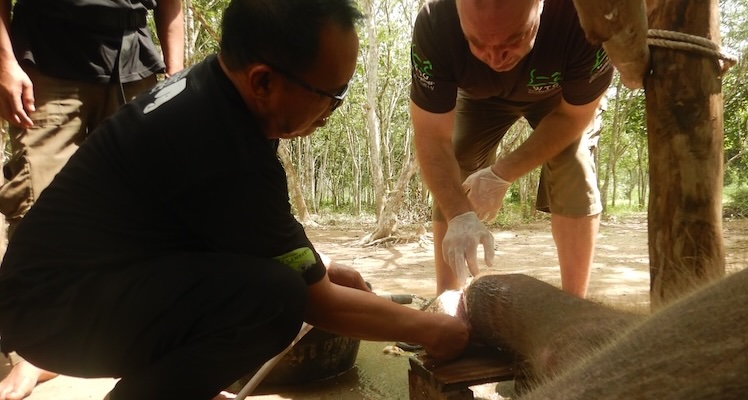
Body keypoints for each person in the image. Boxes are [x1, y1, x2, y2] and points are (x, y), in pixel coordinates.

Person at [0, 0, 469, 399]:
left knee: (280, 283)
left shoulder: (217, 93)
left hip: (63, 293)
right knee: (274, 301)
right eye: (332, 95)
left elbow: (246, 230)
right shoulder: (221, 144)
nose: (332, 111)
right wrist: (431, 329)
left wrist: (320, 267)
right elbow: (319, 304)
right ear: (264, 81)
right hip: (54, 315)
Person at [0, 0, 184, 398]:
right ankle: (35, 351)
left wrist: (177, 76)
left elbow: (173, 4)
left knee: (147, 208)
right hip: (45, 59)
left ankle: (138, 339)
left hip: (134, 58)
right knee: (38, 203)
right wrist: (5, 62)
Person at [410, 0, 613, 297]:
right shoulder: (435, 22)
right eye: (476, 42)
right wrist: (458, 214)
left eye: (514, 39)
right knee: (457, 153)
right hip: (479, 97)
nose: (495, 57)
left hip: (560, 99)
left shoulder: (584, 17)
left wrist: (502, 173)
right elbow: (431, 136)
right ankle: (447, 301)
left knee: (574, 162)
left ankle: (574, 305)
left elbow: (573, 117)